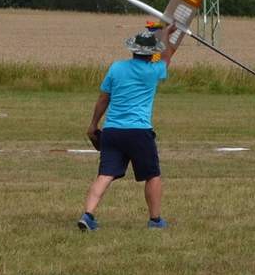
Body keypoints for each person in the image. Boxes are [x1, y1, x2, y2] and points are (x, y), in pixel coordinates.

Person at [77, 24, 182, 232]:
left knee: (105, 175)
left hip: (112, 131)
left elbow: (103, 99)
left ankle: (87, 215)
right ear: (151, 52)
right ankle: (155, 220)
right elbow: (167, 55)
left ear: (133, 50)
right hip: (139, 132)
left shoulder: (116, 68)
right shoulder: (154, 70)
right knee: (152, 175)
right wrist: (167, 34)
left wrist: (93, 124)